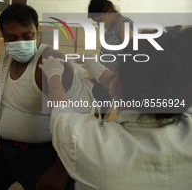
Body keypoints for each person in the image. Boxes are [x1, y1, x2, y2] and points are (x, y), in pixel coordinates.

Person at [0, 3, 95, 190]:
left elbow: (87, 118)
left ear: (36, 32)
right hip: (2, 149)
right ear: (3, 37)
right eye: (12, 38)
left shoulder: (52, 64)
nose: (21, 43)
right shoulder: (5, 60)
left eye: (27, 36)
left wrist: (61, 169)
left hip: (46, 156)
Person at [40, 25, 192, 189]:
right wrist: (93, 63)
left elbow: (61, 110)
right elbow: (136, 84)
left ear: (120, 82)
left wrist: (54, 76)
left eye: (117, 73)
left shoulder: (91, 142)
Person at [87, 0, 133, 117]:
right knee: (96, 102)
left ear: (108, 13)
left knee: (105, 113)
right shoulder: (111, 26)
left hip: (113, 79)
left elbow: (130, 54)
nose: (99, 24)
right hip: (103, 77)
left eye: (100, 20)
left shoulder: (123, 24)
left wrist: (118, 78)